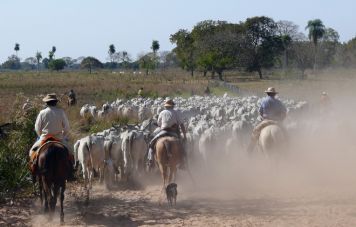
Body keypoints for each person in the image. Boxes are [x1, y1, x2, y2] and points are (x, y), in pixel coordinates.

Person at [29, 93, 75, 180]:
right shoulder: (61, 112)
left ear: (46, 103)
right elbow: (67, 127)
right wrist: (63, 135)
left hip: (44, 138)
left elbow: (37, 127)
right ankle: (71, 171)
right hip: (59, 138)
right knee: (70, 151)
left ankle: (33, 172)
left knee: (32, 152)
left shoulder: (42, 113)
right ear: (55, 102)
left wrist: (40, 135)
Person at [147, 98, 187, 168]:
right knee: (181, 146)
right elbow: (181, 125)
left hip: (163, 132)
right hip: (173, 133)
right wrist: (184, 135)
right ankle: (182, 162)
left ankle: (150, 161)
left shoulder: (162, 112)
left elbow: (159, 124)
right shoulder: (176, 113)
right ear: (172, 106)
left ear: (166, 106)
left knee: (151, 144)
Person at [247, 87, 287, 152]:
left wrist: (263, 117)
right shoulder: (279, 102)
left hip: (266, 121)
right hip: (276, 121)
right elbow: (284, 112)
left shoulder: (264, 101)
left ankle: (250, 149)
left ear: (267, 94)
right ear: (274, 94)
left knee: (255, 132)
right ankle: (289, 148)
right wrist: (281, 119)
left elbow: (260, 112)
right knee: (286, 133)